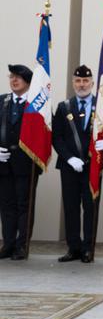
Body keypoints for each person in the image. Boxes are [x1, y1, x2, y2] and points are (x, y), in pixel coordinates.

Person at [51, 65, 103, 263]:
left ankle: (88, 248)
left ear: (92, 83)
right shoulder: (63, 107)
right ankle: (73, 247)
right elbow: (56, 137)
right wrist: (69, 158)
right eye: (77, 81)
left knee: (91, 207)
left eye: (85, 81)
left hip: (94, 165)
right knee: (71, 206)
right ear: (73, 83)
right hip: (69, 166)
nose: (81, 84)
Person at [0, 64, 39, 260]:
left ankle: (21, 245)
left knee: (25, 205)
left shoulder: (36, 103)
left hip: (26, 162)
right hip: (3, 162)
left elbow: (45, 132)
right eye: (12, 77)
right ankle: (7, 243)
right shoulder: (2, 101)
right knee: (6, 205)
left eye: (19, 77)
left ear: (28, 82)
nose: (14, 80)